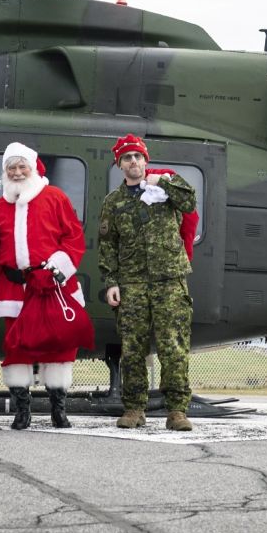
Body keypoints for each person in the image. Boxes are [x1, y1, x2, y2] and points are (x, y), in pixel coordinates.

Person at [98, 134, 197, 431]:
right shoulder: (113, 203)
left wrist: (162, 183)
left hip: (169, 279)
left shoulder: (166, 186)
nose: (133, 162)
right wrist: (111, 281)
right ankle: (134, 408)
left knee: (174, 346)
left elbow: (190, 200)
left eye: (138, 157)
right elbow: (107, 245)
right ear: (120, 164)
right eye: (127, 158)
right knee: (133, 349)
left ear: (145, 160)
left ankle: (177, 411)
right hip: (133, 283)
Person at [0, 142, 87, 430]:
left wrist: (58, 269)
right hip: (14, 287)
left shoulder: (55, 197)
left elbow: (73, 239)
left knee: (57, 348)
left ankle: (58, 409)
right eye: (11, 168)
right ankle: (22, 411)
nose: (17, 173)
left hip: (51, 285)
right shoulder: (0, 208)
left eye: (22, 167)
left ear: (33, 167)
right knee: (17, 348)